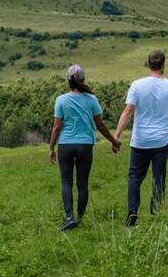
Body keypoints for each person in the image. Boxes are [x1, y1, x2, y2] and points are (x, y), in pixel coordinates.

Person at [114, 50, 168, 226]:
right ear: (163, 66)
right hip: (161, 140)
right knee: (159, 177)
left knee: (135, 176)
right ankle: (156, 212)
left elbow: (128, 111)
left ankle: (132, 211)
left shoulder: (137, 85)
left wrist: (116, 135)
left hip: (140, 140)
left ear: (148, 65)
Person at [49, 65, 121, 231]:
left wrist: (51, 147)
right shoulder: (92, 99)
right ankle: (79, 220)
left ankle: (69, 218)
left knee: (66, 182)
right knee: (83, 184)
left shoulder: (61, 100)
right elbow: (101, 125)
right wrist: (114, 141)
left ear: (68, 81)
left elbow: (56, 127)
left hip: (66, 144)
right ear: (83, 80)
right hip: (85, 145)